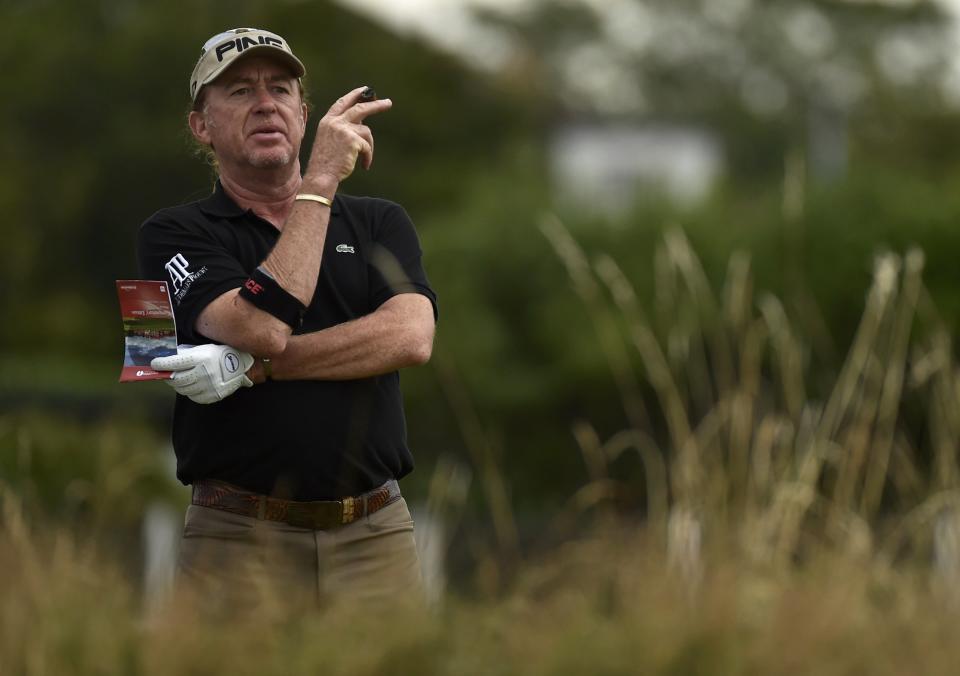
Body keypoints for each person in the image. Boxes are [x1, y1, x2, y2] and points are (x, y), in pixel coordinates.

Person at [137, 27, 438, 611]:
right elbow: (261, 329)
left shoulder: (381, 220)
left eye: (280, 89)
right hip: (235, 539)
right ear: (201, 126)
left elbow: (411, 336)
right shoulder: (169, 233)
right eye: (241, 91)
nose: (265, 103)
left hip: (375, 533)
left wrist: (255, 370)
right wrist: (320, 181)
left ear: (304, 115)